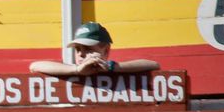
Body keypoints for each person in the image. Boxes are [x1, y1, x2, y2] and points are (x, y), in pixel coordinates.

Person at [30, 20, 159, 75]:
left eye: (88, 48)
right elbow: (35, 66)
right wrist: (77, 70)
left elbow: (153, 65)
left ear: (106, 50)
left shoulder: (114, 69)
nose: (81, 54)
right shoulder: (70, 70)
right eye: (78, 49)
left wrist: (111, 67)